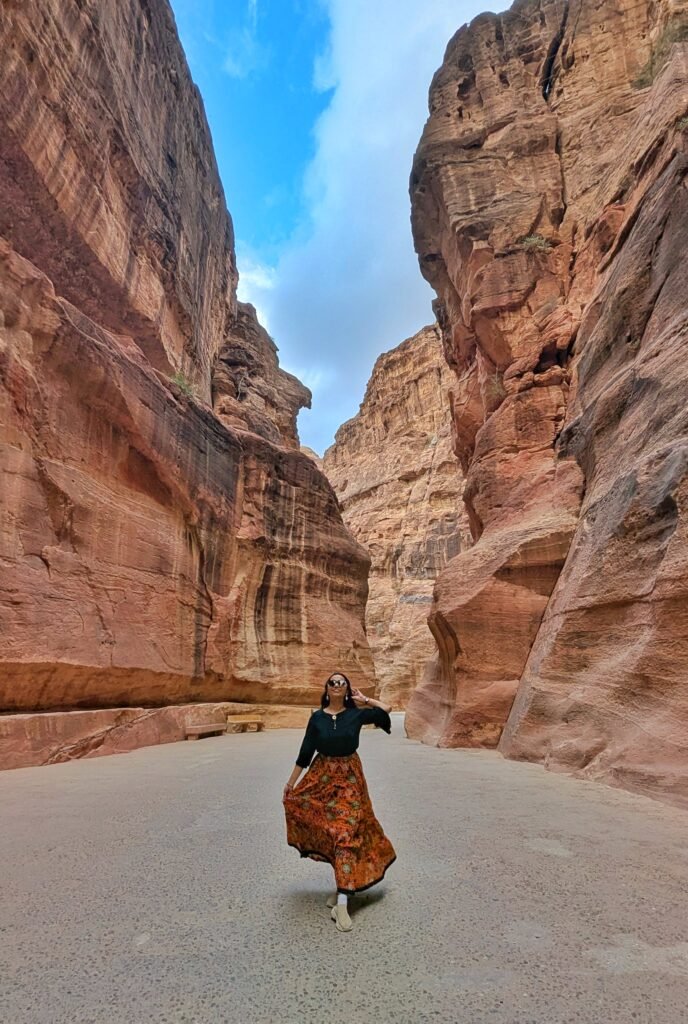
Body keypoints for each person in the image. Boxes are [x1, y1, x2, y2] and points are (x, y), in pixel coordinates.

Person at [282, 671, 396, 932]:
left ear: (347, 689)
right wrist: (290, 784)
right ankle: (342, 884)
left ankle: (342, 904)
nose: (337, 685)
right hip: (321, 779)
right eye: (332, 682)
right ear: (326, 688)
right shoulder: (317, 718)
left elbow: (386, 711)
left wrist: (366, 699)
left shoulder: (357, 714)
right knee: (334, 833)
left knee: (346, 833)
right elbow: (305, 753)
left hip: (350, 780)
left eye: (342, 683)